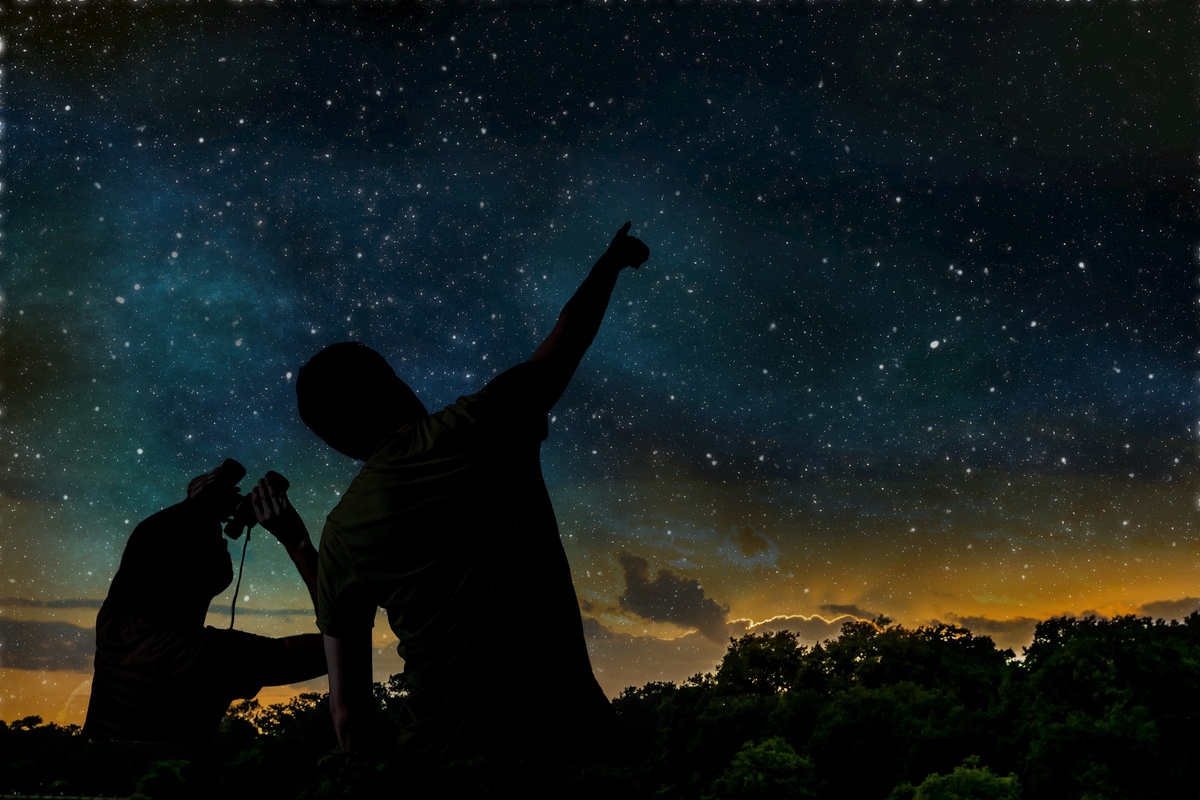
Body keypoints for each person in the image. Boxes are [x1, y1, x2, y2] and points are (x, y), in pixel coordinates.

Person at [296, 221, 650, 761]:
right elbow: (568, 337)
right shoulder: (482, 426)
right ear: (396, 386)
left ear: (335, 441)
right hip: (565, 746)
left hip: (434, 766)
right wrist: (609, 263)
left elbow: (348, 716)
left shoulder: (343, 531)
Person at [83, 460, 327, 744]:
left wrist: (194, 504)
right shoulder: (208, 657)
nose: (222, 537)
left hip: (103, 774)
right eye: (215, 537)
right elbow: (343, 646)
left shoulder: (116, 622)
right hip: (179, 782)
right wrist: (297, 544)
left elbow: (150, 541)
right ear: (200, 573)